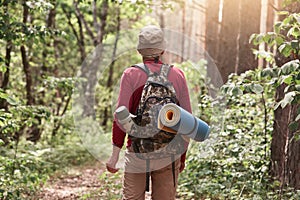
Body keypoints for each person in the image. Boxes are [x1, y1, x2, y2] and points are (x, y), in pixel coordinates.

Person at [106, 25, 192, 200]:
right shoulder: (177, 75)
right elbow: (186, 122)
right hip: (168, 152)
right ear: (162, 49)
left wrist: (114, 157)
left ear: (140, 50)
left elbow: (121, 117)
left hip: (137, 151)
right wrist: (181, 156)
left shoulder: (131, 74)